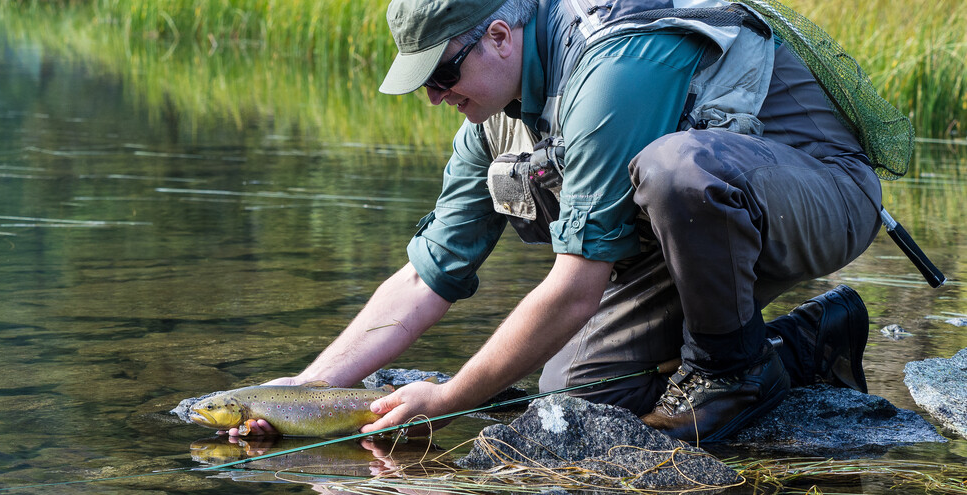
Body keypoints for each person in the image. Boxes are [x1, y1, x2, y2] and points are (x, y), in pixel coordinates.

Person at [234, 0, 882, 443]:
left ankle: (732, 372)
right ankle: (800, 347)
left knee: (676, 168)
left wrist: (451, 397)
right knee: (573, 397)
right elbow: (424, 278)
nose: (433, 95)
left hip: (822, 193)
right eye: (422, 81)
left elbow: (576, 285)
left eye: (441, 71)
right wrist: (305, 387)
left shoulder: (612, 64)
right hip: (696, 232)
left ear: (499, 34)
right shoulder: (491, 119)